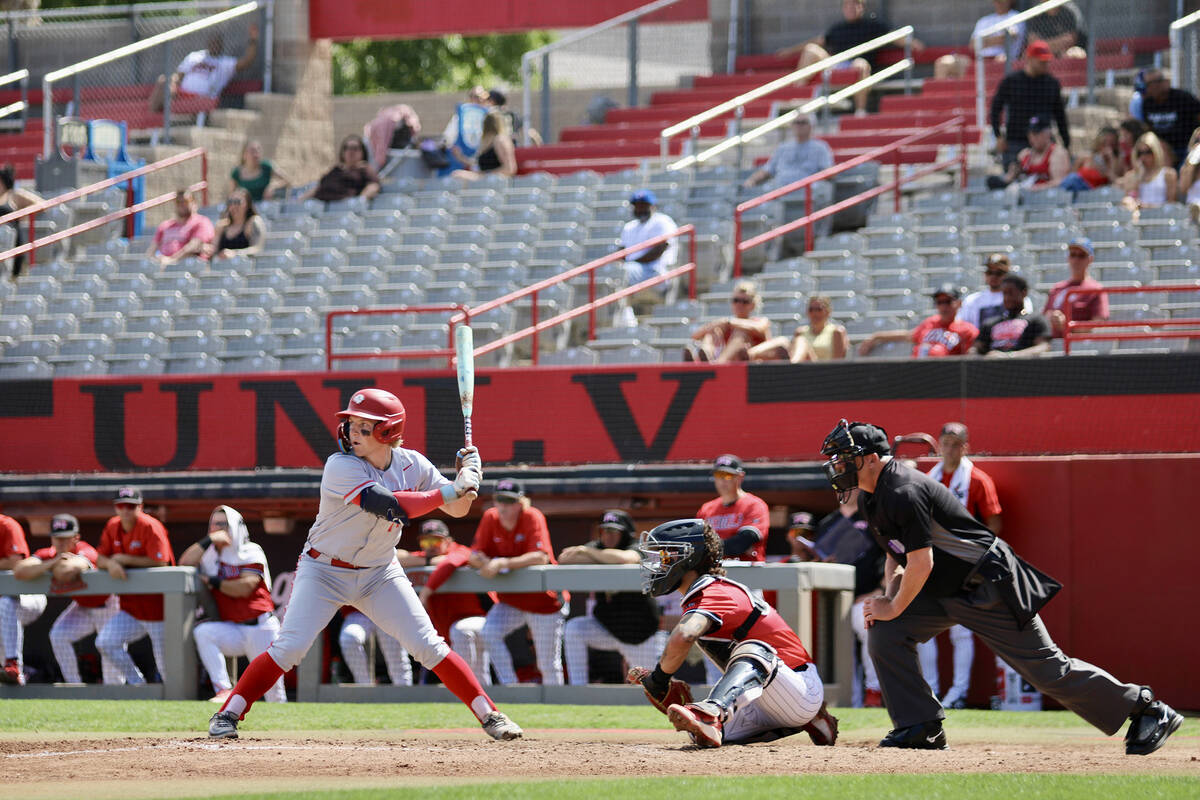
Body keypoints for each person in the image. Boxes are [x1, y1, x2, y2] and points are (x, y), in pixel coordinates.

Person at [818, 418, 1183, 754]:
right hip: (943, 586)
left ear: (868, 459)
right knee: (885, 631)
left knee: (1047, 671)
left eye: (844, 457)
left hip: (985, 582)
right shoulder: (870, 496)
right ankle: (920, 726)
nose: (837, 465)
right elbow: (894, 555)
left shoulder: (903, 489)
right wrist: (888, 599)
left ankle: (1147, 708)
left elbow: (921, 561)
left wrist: (894, 604)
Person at [207, 388, 523, 741]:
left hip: (378, 571)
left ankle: (490, 715)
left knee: (429, 645)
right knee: (289, 647)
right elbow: (389, 505)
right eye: (351, 424)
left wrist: (465, 481)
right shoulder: (340, 465)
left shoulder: (413, 464)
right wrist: (451, 490)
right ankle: (227, 714)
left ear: (388, 431)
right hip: (324, 569)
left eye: (362, 426)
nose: (351, 432)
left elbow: (457, 509)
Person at [632, 518, 839, 748]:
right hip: (768, 698)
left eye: (665, 555)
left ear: (689, 558)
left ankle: (713, 711)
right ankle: (813, 721)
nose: (659, 564)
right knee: (699, 733)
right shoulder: (702, 593)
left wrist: (659, 679)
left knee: (753, 649)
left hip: (800, 685)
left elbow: (684, 636)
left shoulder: (716, 591)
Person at [914, 422, 1002, 710]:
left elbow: (993, 523)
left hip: (965, 562)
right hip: (934, 559)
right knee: (925, 626)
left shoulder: (977, 479)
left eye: (956, 444)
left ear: (965, 447)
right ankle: (931, 691)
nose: (950, 449)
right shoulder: (930, 477)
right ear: (938, 445)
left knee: (961, 629)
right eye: (946, 443)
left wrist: (981, 558)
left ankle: (959, 692)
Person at [179, 506, 285, 704]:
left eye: (222, 524)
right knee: (204, 632)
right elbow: (184, 562)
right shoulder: (210, 555)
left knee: (274, 694)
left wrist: (212, 581)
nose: (217, 528)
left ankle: (284, 731)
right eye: (213, 524)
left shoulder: (251, 550)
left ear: (235, 526)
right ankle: (224, 689)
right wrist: (209, 540)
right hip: (234, 629)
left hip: (261, 627)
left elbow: (244, 588)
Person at [470, 478, 568, 686]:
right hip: (511, 601)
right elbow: (475, 553)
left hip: (544, 603)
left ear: (521, 502)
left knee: (547, 663)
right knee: (489, 633)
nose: (504, 506)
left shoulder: (532, 516)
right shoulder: (490, 517)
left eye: (509, 501)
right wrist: (484, 562)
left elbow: (540, 556)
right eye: (500, 500)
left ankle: (559, 706)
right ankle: (511, 687)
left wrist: (501, 563)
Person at [787, 504, 886, 708]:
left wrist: (880, 591)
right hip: (835, 600)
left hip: (867, 596)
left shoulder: (875, 516)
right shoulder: (829, 522)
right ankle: (850, 700)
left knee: (867, 624)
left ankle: (874, 690)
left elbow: (893, 555)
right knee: (839, 645)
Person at [560, 510, 671, 686]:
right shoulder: (595, 548)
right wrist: (594, 554)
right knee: (574, 629)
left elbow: (627, 559)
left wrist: (587, 552)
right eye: (605, 531)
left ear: (625, 534)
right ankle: (578, 688)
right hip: (607, 628)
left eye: (614, 532)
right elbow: (565, 558)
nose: (608, 536)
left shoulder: (636, 546)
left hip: (638, 632)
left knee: (648, 689)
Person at [11, 514, 120, 685]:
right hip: (83, 607)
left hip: (107, 606)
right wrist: (51, 562)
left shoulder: (85, 550)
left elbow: (65, 572)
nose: (60, 542)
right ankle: (74, 685)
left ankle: (118, 695)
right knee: (59, 635)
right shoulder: (51, 554)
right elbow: (19, 570)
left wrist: (46, 566)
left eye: (65, 538)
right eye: (56, 537)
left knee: (109, 655)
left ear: (76, 538)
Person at [778, 0, 924, 116]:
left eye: (855, 4)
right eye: (847, 4)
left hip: (858, 65)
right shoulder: (838, 28)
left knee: (860, 64)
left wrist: (912, 43)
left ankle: (860, 112)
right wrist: (789, 51)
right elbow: (818, 41)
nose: (851, 8)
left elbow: (893, 37)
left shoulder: (872, 25)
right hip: (837, 64)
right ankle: (796, 97)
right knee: (811, 50)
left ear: (862, 6)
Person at [94, 486, 176, 685]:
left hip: (160, 611)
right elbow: (100, 557)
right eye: (121, 506)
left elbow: (161, 561)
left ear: (140, 507)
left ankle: (177, 704)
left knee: (167, 668)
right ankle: (137, 684)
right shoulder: (112, 526)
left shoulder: (151, 526)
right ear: (116, 507)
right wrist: (111, 563)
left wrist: (124, 558)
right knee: (105, 642)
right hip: (131, 610)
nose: (125, 510)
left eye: (131, 506)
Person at [415, 519, 493, 685]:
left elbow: (449, 563)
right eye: (425, 541)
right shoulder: (426, 556)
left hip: (473, 621)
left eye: (435, 541)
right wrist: (428, 562)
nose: (430, 546)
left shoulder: (461, 550)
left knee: (477, 674)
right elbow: (398, 556)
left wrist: (425, 594)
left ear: (448, 541)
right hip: (442, 631)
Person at [742, 113, 835, 242]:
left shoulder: (820, 147)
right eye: (796, 123)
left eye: (803, 122)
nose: (799, 126)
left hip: (806, 194)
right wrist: (752, 180)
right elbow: (768, 170)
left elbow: (828, 172)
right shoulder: (783, 148)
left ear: (811, 126)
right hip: (780, 192)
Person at [989, 40, 1069, 169]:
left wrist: (1066, 143)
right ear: (1030, 59)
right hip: (1016, 140)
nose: (1045, 65)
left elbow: (1060, 115)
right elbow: (995, 109)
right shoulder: (1012, 81)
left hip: (1044, 143)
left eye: (1047, 61)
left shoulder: (1052, 83)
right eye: (1041, 61)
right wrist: (998, 135)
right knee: (1013, 178)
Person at [150, 25, 259, 113]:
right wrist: (173, 81)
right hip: (181, 94)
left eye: (217, 42)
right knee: (162, 80)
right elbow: (179, 75)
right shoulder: (195, 56)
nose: (214, 44)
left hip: (203, 98)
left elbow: (246, 62)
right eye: (212, 41)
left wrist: (253, 40)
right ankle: (150, 119)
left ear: (221, 45)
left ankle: (152, 120)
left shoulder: (224, 62)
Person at [858, 283, 979, 358]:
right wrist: (876, 337)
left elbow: (969, 358)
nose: (943, 307)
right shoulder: (930, 322)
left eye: (948, 301)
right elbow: (907, 335)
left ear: (959, 303)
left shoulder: (967, 330)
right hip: (917, 372)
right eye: (939, 302)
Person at [696, 454, 769, 564]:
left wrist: (710, 548)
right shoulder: (706, 509)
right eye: (718, 474)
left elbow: (743, 542)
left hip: (747, 570)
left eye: (727, 475)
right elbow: (698, 544)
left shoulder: (754, 505)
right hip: (714, 570)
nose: (722, 480)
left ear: (740, 477)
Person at [934, 0, 1024, 80]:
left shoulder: (1016, 16)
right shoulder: (984, 21)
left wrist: (982, 41)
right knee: (944, 63)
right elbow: (972, 45)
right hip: (979, 61)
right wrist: (995, 40)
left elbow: (1008, 38)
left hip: (1004, 60)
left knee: (1000, 61)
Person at [685, 280, 771, 363]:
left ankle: (718, 364)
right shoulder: (726, 323)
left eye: (745, 302)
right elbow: (695, 336)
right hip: (731, 364)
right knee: (712, 332)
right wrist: (716, 326)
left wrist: (728, 322)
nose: (739, 305)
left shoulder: (760, 320)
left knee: (740, 334)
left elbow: (760, 328)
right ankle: (705, 358)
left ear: (753, 305)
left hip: (751, 364)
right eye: (736, 300)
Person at [0, 513, 41, 685]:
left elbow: (15, 561)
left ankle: (13, 662)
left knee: (5, 604)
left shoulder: (7, 525)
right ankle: (16, 677)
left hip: (27, 596)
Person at [973, 274, 1053, 358]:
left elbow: (1043, 347)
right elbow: (976, 349)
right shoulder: (990, 323)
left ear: (1024, 292)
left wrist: (1009, 356)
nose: (1007, 298)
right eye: (1004, 293)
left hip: (1023, 368)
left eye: (1011, 293)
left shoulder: (1037, 319)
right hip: (992, 368)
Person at [751, 294, 849, 362]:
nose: (815, 313)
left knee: (802, 341)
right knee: (782, 341)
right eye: (811, 309)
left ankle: (793, 366)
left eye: (819, 309)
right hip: (804, 372)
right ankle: (750, 354)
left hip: (823, 374)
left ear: (828, 312)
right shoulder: (800, 331)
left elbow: (838, 361)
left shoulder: (836, 331)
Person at [1043, 237, 1109, 338]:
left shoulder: (1096, 289)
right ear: (1068, 258)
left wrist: (1068, 326)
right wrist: (1051, 318)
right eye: (1073, 255)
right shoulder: (1057, 288)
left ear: (1090, 259)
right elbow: (1044, 316)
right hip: (1052, 344)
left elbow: (1098, 324)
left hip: (1077, 346)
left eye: (1081, 256)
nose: (1076, 260)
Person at [1135, 69, 1200, 170]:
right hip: (1163, 150)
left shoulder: (1183, 98)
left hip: (1186, 147)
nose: (1147, 88)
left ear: (1161, 83)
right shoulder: (1147, 104)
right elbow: (1149, 129)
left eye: (1149, 84)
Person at [985, 116, 1071, 191]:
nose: (1032, 138)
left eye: (1036, 134)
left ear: (1047, 134)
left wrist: (1036, 188)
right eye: (1030, 134)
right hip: (1026, 199)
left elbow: (1061, 182)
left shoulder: (1057, 153)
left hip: (1048, 200)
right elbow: (1009, 178)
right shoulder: (1025, 154)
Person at [618, 189, 678, 295]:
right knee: (613, 273)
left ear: (652, 206)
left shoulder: (662, 221)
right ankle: (622, 311)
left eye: (644, 205)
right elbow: (621, 252)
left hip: (655, 270)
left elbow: (659, 250)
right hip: (633, 269)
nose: (640, 209)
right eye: (637, 205)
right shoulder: (629, 226)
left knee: (623, 272)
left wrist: (632, 262)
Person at [958, 253, 1029, 333]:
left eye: (999, 273)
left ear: (1007, 274)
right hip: (980, 342)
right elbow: (964, 325)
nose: (993, 276)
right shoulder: (972, 300)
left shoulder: (1017, 297)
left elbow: (1025, 322)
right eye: (989, 272)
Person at [300, 135, 381, 204]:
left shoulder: (364, 169)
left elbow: (373, 186)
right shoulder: (336, 170)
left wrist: (360, 201)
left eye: (355, 148)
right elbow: (319, 187)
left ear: (362, 152)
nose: (351, 151)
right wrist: (299, 201)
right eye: (347, 148)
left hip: (344, 207)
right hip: (321, 205)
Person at [146, 188, 214, 267]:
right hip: (163, 265)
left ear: (194, 203)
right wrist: (156, 261)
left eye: (185, 201)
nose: (181, 204)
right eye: (178, 202)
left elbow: (193, 246)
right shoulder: (165, 225)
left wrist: (171, 260)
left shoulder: (201, 221)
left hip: (187, 266)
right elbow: (151, 251)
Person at [0, 163, 41, 281]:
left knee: (13, 275)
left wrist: (21, 215)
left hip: (13, 240)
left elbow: (40, 204)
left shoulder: (14, 195)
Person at [452, 111, 517, 181]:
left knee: (458, 175)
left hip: (496, 181)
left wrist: (483, 176)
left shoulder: (500, 140)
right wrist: (460, 157)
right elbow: (478, 164)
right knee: (457, 175)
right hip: (485, 179)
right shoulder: (486, 142)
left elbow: (510, 169)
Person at [203, 188, 266, 260]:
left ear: (247, 204)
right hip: (223, 268)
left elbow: (257, 249)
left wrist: (235, 253)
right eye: (230, 202)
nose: (233, 206)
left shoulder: (253, 222)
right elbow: (214, 250)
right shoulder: (221, 226)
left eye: (237, 202)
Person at [1120, 132, 1177, 211]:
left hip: (1162, 218)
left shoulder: (1168, 174)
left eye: (1148, 152)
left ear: (1156, 151)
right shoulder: (1131, 176)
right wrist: (1138, 176)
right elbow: (1130, 200)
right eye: (1140, 153)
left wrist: (1148, 207)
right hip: (1139, 218)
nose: (1143, 157)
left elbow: (1171, 204)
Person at [441, 86, 491, 175]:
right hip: (462, 163)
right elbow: (448, 138)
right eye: (475, 97)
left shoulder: (490, 117)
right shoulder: (460, 117)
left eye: (481, 97)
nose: (478, 100)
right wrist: (459, 155)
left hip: (484, 162)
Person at [1060, 126, 1122, 194]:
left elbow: (1115, 181)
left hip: (1093, 192)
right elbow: (1071, 174)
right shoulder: (1086, 157)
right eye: (1104, 143)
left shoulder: (1116, 160)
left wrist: (1111, 159)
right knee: (1072, 178)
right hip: (1075, 187)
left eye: (1111, 144)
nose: (1107, 146)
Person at [1176, 126, 1200, 222]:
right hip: (1191, 211)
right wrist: (1192, 163)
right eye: (1197, 140)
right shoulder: (1187, 167)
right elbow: (1183, 189)